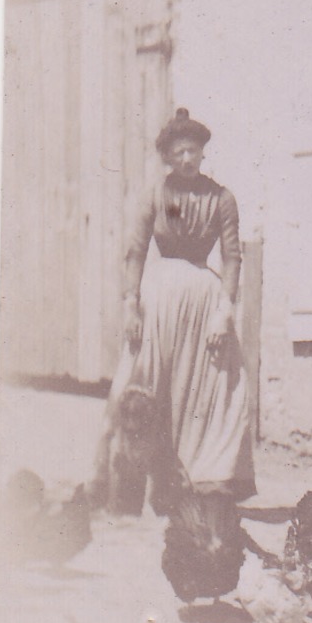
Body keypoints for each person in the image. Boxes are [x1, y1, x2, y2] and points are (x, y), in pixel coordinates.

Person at [92, 108, 255, 511]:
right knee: (142, 383)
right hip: (158, 298)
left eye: (194, 151)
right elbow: (135, 252)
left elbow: (233, 257)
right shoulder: (154, 194)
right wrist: (131, 305)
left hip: (204, 302)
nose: (187, 159)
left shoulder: (222, 198)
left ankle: (201, 481)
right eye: (179, 152)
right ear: (168, 156)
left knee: (215, 387)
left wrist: (225, 310)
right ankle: (132, 484)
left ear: (203, 153)